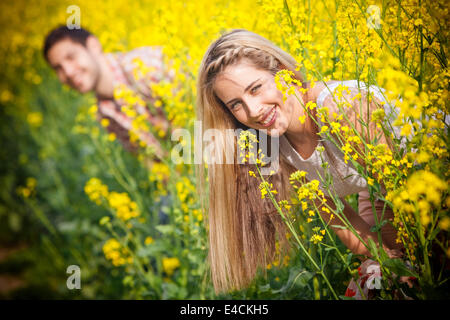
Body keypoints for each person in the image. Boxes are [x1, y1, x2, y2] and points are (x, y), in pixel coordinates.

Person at [196, 29, 407, 297]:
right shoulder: (276, 145)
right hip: (384, 194)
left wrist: (410, 265)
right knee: (372, 284)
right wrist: (387, 261)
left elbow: (401, 187)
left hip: (429, 182)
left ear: (282, 71)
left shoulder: (337, 108)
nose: (253, 111)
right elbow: (342, 218)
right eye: (236, 104)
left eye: (256, 88)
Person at [43, 26, 173, 160]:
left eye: (71, 57)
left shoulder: (143, 67)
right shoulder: (104, 115)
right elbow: (151, 160)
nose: (68, 72)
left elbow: (193, 107)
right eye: (58, 68)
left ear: (93, 46)